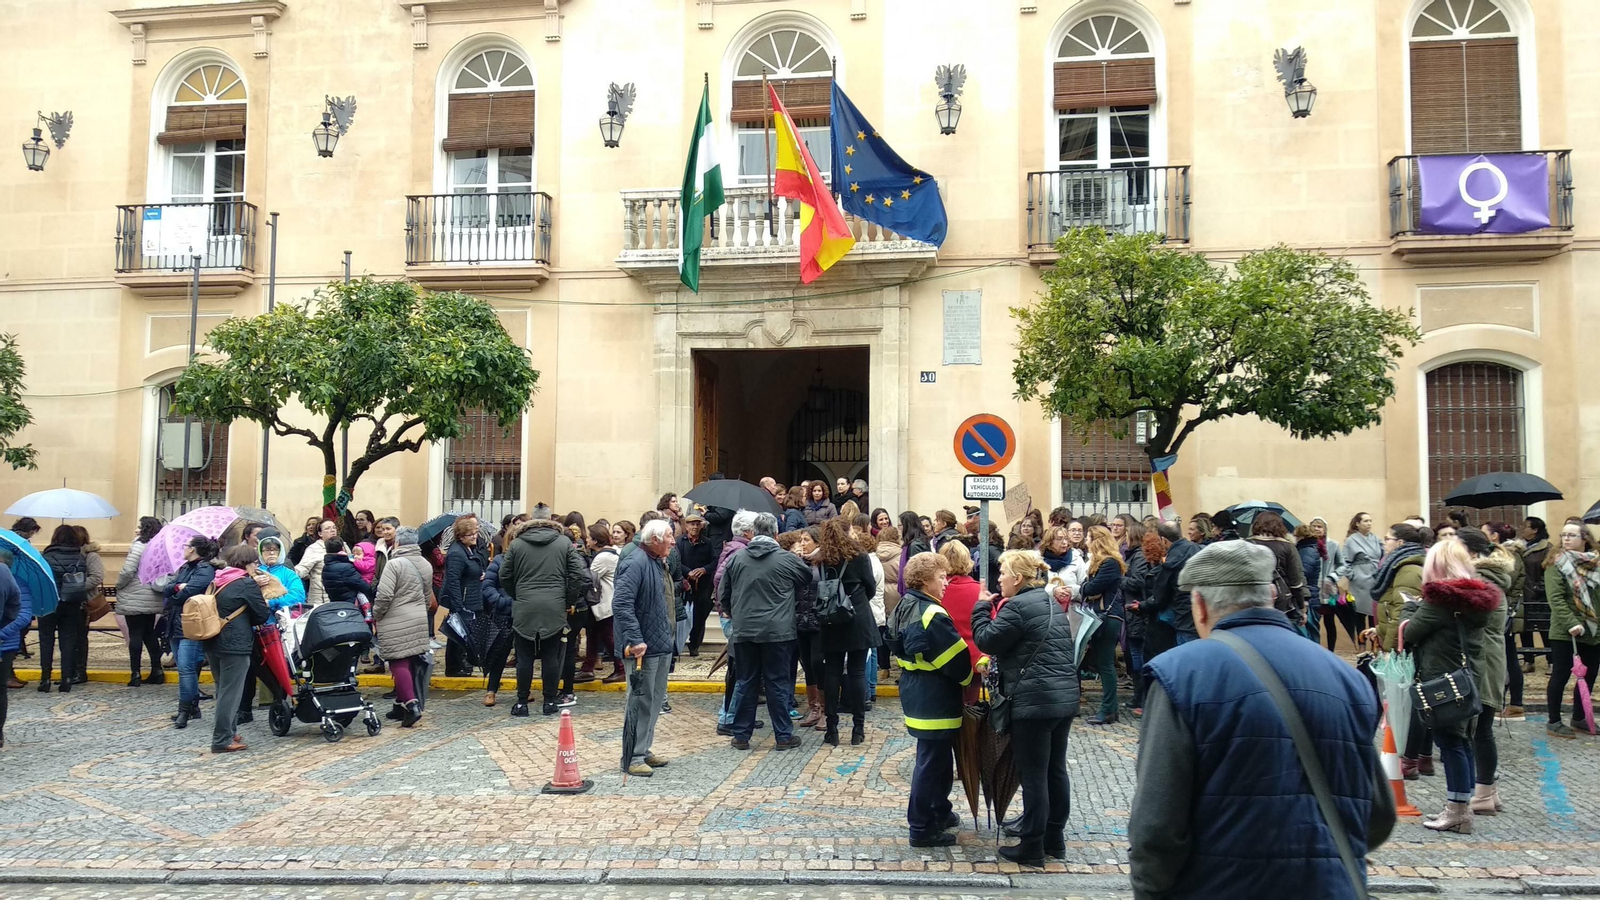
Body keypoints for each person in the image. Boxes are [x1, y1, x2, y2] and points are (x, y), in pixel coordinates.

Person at [1130, 540, 1395, 898]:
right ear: (1271, 595)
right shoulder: (1346, 676)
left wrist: (1150, 891)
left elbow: (1156, 826)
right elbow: (1377, 813)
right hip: (1331, 887)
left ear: (1199, 605)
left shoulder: (1180, 674)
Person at [970, 550, 1078, 867]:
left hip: (1034, 704)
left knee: (1033, 775)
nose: (999, 578)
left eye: (1003, 572)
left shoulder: (1017, 607)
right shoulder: (1047, 602)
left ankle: (1031, 847)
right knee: (1054, 769)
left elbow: (987, 639)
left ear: (1017, 578)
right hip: (1062, 700)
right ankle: (1054, 840)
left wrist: (980, 607)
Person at [1400, 540, 1497, 833]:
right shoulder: (1477, 600)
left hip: (1442, 681)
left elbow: (1412, 633)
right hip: (1468, 678)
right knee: (1462, 740)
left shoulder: (1439, 601)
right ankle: (1461, 803)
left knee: (1450, 742)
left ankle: (1457, 812)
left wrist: (1408, 609)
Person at [890, 550, 975, 848]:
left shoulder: (906, 604)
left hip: (916, 690)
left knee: (936, 759)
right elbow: (955, 659)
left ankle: (941, 810)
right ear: (926, 581)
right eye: (941, 577)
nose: (946, 583)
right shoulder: (932, 613)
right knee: (930, 762)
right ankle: (922, 827)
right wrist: (969, 679)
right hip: (936, 694)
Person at [721, 512, 810, 750]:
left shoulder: (737, 559)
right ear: (776, 533)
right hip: (778, 632)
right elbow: (807, 578)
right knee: (778, 683)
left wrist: (737, 614)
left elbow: (723, 595)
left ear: (754, 532)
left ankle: (741, 735)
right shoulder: (786, 559)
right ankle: (783, 735)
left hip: (744, 631)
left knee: (746, 681)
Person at [501, 515, 588, 717]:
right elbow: (577, 574)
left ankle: (522, 702)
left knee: (524, 657)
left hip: (525, 605)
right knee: (551, 656)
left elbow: (505, 575)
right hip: (554, 604)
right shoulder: (564, 542)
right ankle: (549, 701)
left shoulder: (517, 544)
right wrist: (568, 600)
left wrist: (518, 594)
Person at [612, 520, 676, 776]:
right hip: (643, 646)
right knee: (640, 700)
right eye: (669, 537)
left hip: (659, 643)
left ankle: (643, 749)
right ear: (655, 540)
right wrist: (636, 639)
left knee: (654, 699)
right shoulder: (636, 562)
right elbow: (622, 604)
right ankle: (633, 755)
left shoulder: (655, 561)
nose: (673, 541)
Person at [814, 518, 881, 746]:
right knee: (857, 672)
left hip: (831, 618)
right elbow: (870, 587)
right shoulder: (860, 556)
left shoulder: (822, 558)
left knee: (832, 672)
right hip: (857, 617)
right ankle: (858, 729)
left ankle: (831, 729)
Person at [1458, 527, 1509, 815]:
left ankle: (1483, 792)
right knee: (1481, 729)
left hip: (1484, 660)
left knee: (1481, 729)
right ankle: (1488, 792)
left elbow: (1474, 621)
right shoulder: (1486, 578)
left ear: (1473, 553)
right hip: (1488, 657)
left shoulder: (1481, 581)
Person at [201, 544, 270, 754]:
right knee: (230, 693)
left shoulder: (218, 580)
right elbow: (261, 614)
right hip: (235, 644)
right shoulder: (245, 584)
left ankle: (229, 732)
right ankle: (222, 739)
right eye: (254, 562)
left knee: (223, 689)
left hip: (212, 640)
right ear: (247, 563)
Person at [1543, 519, 1600, 739]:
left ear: (1584, 538)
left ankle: (1579, 717)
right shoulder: (1556, 563)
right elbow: (1556, 599)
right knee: (1561, 674)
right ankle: (1554, 720)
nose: (1565, 538)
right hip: (1566, 631)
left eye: (1571, 535)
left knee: (1590, 673)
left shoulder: (1594, 562)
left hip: (1593, 629)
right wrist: (1571, 623)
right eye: (1564, 535)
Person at [372, 526, 432, 727]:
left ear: (397, 542)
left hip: (395, 618)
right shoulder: (425, 563)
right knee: (410, 661)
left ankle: (411, 705)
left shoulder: (394, 564)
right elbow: (426, 596)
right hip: (418, 618)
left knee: (398, 661)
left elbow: (384, 595)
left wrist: (376, 615)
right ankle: (399, 706)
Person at [164, 536, 218, 725]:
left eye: (186, 546)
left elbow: (188, 594)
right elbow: (167, 589)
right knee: (184, 668)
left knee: (187, 668)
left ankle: (184, 711)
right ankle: (193, 707)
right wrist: (177, 587)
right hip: (175, 622)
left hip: (192, 623)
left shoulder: (205, 569)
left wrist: (176, 592)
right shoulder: (185, 567)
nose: (183, 549)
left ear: (193, 549)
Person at [712, 511, 758, 734]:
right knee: (739, 670)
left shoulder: (735, 548)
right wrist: (728, 610)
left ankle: (738, 714)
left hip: (734, 615)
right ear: (748, 531)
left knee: (742, 669)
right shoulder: (739, 550)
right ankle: (728, 718)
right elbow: (721, 579)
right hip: (735, 617)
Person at [1078, 525, 1128, 725]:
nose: (1086, 541)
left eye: (1088, 538)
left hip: (1107, 618)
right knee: (1103, 663)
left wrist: (1084, 588)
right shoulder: (1103, 563)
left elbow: (1091, 587)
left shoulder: (1109, 563)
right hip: (1104, 617)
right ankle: (1111, 709)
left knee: (1105, 665)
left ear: (1096, 541)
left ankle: (1108, 709)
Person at [39, 524, 93, 692]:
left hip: (49, 602)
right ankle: (67, 678)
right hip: (71, 602)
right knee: (68, 640)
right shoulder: (79, 557)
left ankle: (45, 678)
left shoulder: (46, 557)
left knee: (46, 640)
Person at [116, 516, 167, 686]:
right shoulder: (161, 546)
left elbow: (128, 569)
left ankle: (135, 673)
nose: (137, 529)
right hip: (152, 596)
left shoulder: (139, 545)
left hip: (135, 594)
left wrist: (119, 584)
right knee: (149, 634)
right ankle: (157, 670)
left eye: (139, 526)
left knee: (135, 634)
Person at [935, 540, 984, 703]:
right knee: (971, 711)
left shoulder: (935, 592)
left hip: (943, 658)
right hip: (974, 659)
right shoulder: (979, 591)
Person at [439, 518, 487, 678]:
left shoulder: (469, 550)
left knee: (465, 633)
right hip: (464, 600)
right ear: (461, 536)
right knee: (458, 634)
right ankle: (455, 666)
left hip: (472, 597)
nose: (474, 537)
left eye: (475, 533)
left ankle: (461, 665)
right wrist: (458, 605)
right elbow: (453, 581)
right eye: (470, 534)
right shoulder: (457, 553)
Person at [582, 524, 623, 685]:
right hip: (605, 602)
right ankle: (587, 667)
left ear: (595, 540)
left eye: (589, 537)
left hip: (605, 603)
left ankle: (621, 668)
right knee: (594, 635)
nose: (586, 539)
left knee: (608, 638)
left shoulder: (602, 557)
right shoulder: (611, 553)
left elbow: (589, 578)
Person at [0, 548, 30, 748]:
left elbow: (22, 614)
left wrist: (2, 633)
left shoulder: (14, 580)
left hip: (5, 644)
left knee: (0, 687)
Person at [678, 512, 717, 657]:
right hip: (684, 585)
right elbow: (676, 562)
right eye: (691, 524)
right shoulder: (679, 542)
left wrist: (703, 570)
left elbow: (714, 561)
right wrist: (688, 572)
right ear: (686, 526)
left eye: (697, 524)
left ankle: (695, 645)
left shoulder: (707, 543)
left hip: (702, 586)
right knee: (682, 615)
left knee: (700, 617)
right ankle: (679, 643)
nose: (694, 527)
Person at [1519, 517, 1552, 672]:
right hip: (1523, 593)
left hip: (1539, 595)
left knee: (1544, 628)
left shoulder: (1546, 548)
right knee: (1525, 628)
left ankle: (1551, 660)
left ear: (1535, 530)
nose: (1522, 529)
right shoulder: (1519, 547)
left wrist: (1540, 588)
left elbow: (1549, 571)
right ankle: (1528, 660)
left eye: (1526, 527)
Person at [1339, 512, 1384, 626]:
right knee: (1359, 614)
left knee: (1374, 614)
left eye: (1370, 520)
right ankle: (1361, 642)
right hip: (1360, 581)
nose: (1369, 523)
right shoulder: (1351, 540)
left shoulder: (1376, 539)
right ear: (1358, 524)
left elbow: (1384, 555)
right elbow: (1345, 561)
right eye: (1365, 521)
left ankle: (1374, 642)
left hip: (1375, 578)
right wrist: (1353, 575)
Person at [294, 519, 339, 605]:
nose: (332, 530)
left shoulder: (343, 545)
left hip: (340, 596)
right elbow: (302, 568)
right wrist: (291, 574)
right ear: (320, 533)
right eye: (328, 528)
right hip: (320, 598)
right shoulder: (314, 549)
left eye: (334, 527)